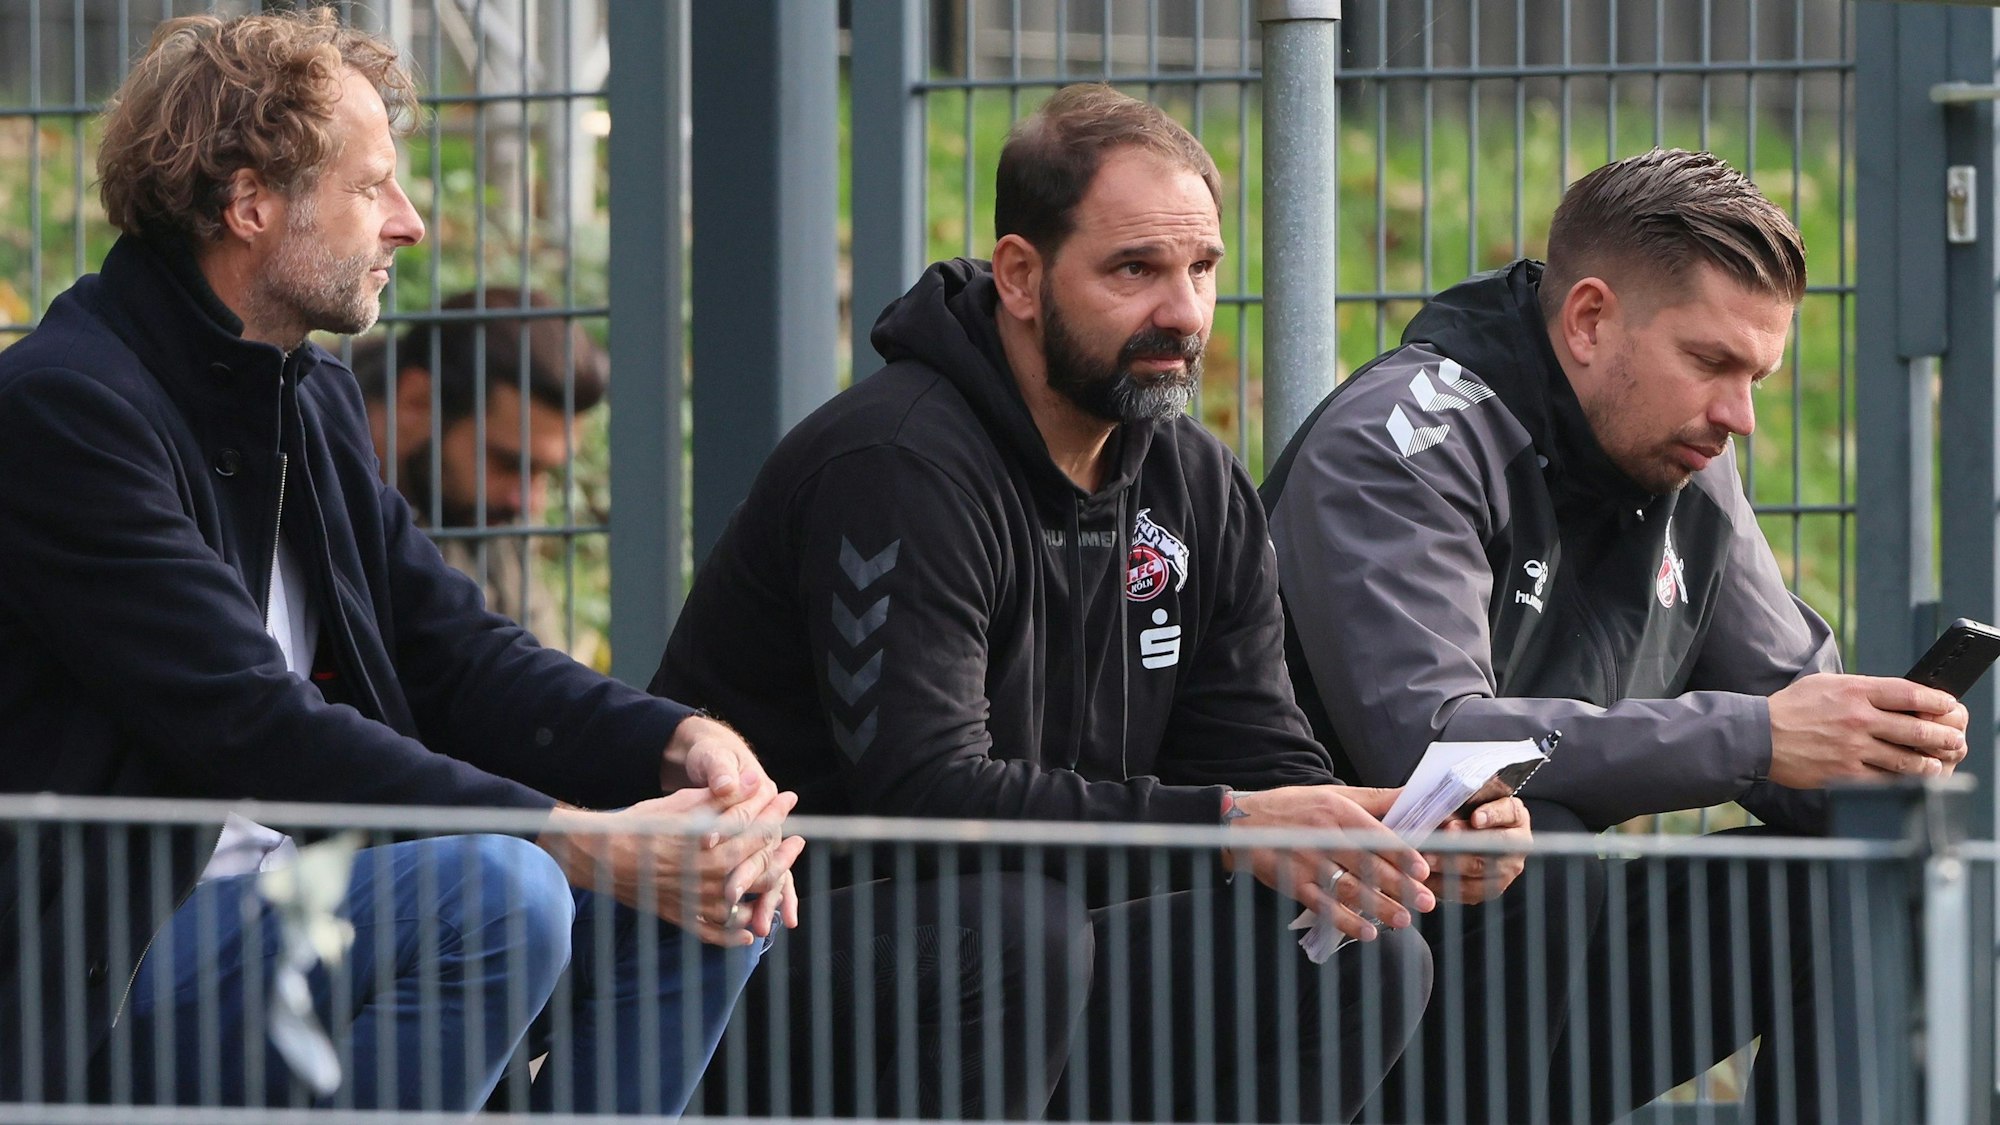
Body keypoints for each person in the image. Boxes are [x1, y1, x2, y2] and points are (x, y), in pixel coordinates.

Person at [653, 83, 1530, 1123]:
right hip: (771, 963)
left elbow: (1256, 760)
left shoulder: (1196, 486)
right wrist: (1234, 821)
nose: (1182, 312)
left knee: (1359, 953)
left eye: (1200, 269)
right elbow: (925, 797)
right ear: (1020, 276)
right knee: (1014, 928)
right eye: (1134, 270)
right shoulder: (896, 464)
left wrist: (1386, 824)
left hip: (1036, 954)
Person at [0, 8, 801, 1113]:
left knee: (713, 894)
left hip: (313, 897)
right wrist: (569, 838)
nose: (409, 223)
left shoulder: (305, 389)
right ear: (250, 203)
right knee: (498, 887)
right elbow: (252, 726)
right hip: (116, 960)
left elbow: (453, 650)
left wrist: (676, 743)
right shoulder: (68, 408)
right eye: (372, 187)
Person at [1261, 147, 1972, 1123]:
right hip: (1325, 959)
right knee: (1526, 845)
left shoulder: (1682, 458)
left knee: (1838, 880)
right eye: (1711, 362)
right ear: (1588, 319)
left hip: (1520, 963)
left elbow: (1792, 723)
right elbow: (1436, 749)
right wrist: (1760, 738)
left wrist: (1873, 763)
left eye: (1757, 374)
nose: (1740, 416)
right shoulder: (1402, 443)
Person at [353, 288, 605, 653]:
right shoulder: (298, 470)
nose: (529, 501)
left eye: (542, 473)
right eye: (509, 462)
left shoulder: (475, 510)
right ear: (416, 401)